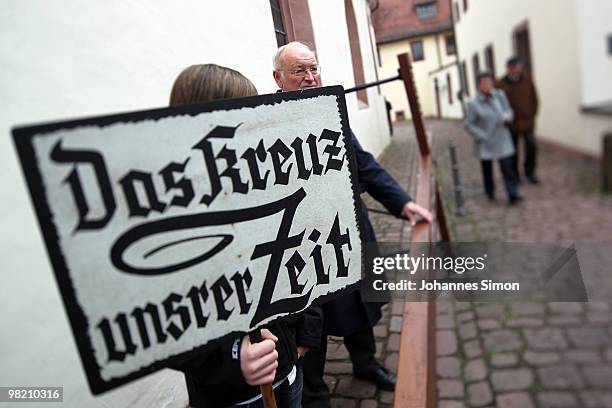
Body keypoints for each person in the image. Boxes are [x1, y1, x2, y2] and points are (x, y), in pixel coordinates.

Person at [271, 41, 433, 408]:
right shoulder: (268, 120)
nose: (310, 77)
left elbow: (363, 161)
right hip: (303, 238)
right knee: (311, 317)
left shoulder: (331, 107)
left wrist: (403, 202)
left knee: (361, 300)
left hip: (350, 227)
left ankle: (366, 363)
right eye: (299, 71)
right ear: (278, 78)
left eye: (314, 68)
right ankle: (314, 395)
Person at [169, 63, 322, 408]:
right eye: (239, 113)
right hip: (233, 398)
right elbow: (165, 323)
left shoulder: (262, 183)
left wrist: (302, 336)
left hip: (288, 372)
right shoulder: (174, 211)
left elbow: (303, 258)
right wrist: (233, 359)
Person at [465, 71, 521, 205]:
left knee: (507, 167)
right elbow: (468, 124)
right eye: (484, 83)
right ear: (478, 85)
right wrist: (482, 135)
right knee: (487, 169)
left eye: (489, 82)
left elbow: (509, 110)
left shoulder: (499, 95)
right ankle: (490, 192)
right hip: (486, 142)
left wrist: (508, 116)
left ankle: (512, 193)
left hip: (502, 138)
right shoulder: (473, 103)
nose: (487, 85)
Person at [496, 57, 540, 184]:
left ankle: (530, 172)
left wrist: (532, 115)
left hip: (527, 121)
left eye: (518, 67)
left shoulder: (527, 80)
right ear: (508, 68)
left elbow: (534, 98)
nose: (516, 70)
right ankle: (515, 175)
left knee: (531, 146)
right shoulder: (500, 84)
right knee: (513, 150)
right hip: (510, 123)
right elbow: (497, 104)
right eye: (513, 67)